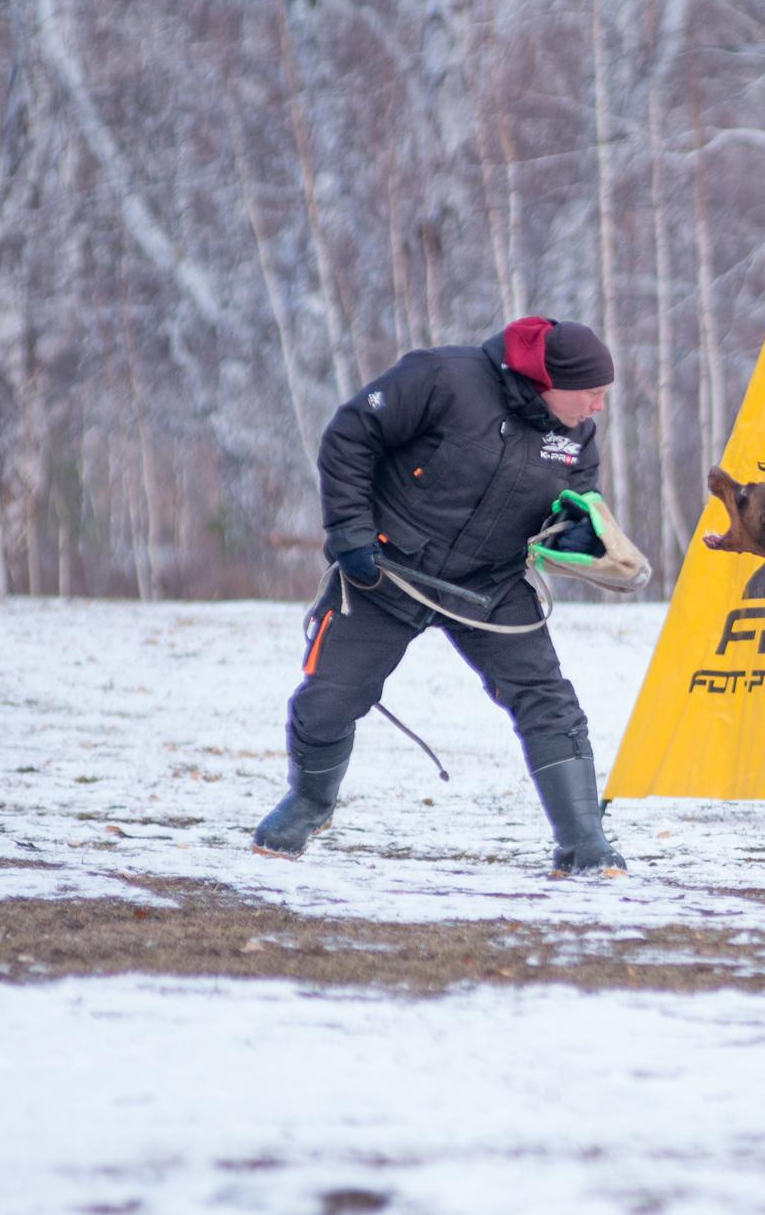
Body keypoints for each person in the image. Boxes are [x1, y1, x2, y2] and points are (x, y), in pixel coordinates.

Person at [254, 316, 633, 875]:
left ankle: (584, 844)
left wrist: (578, 532)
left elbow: (577, 497)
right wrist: (351, 535)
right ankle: (310, 802)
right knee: (327, 700)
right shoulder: (443, 378)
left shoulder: (574, 433)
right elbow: (350, 436)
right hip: (386, 572)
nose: (599, 407)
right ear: (553, 381)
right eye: (593, 395)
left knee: (549, 701)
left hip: (491, 584)